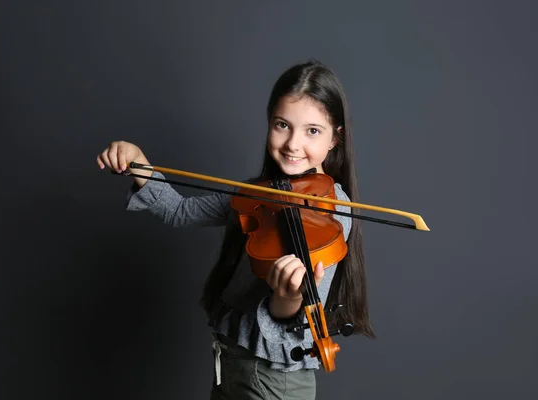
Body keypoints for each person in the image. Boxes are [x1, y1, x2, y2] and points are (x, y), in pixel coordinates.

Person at [96, 60, 374, 400]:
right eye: (282, 125)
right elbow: (180, 210)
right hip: (229, 365)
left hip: (274, 381)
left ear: (336, 138)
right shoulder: (256, 196)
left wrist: (288, 299)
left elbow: (293, 327)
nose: (292, 144)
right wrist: (139, 162)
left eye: (312, 131)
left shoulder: (333, 212)